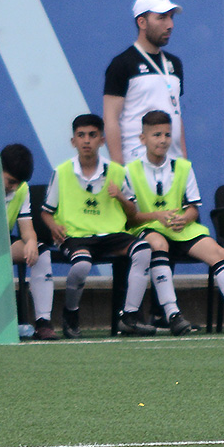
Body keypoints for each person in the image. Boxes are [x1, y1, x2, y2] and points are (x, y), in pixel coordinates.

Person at [124, 110, 224, 335]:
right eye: (156, 135)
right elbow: (132, 218)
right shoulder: (130, 171)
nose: (163, 140)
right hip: (149, 228)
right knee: (158, 244)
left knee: (219, 252)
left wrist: (184, 218)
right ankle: (173, 315)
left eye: (167, 135)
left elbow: (193, 209)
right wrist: (157, 216)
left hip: (181, 229)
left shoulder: (182, 167)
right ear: (142, 138)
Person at [40, 114, 160, 338]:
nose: (87, 140)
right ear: (73, 141)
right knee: (82, 265)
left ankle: (130, 316)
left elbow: (132, 212)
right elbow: (46, 212)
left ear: (102, 140)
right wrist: (54, 226)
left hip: (111, 234)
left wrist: (120, 197)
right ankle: (71, 314)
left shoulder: (117, 171)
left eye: (92, 135)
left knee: (143, 250)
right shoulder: (62, 172)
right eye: (81, 135)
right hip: (76, 236)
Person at [104, 0, 186, 165]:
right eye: (161, 17)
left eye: (171, 17)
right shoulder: (122, 64)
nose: (170, 24)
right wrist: (118, 168)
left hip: (172, 165)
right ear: (142, 22)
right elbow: (111, 119)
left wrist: (183, 161)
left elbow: (176, 114)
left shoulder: (175, 64)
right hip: (136, 164)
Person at [1, 144, 56, 340]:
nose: (14, 187)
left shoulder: (22, 189)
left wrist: (32, 241)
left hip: (3, 243)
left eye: (18, 183)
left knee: (41, 252)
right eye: (10, 181)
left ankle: (43, 323)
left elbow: (26, 229)